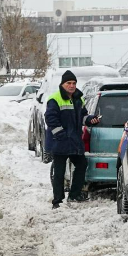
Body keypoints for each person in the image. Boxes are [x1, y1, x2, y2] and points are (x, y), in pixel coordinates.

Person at [44, 70, 100, 207]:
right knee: (59, 172)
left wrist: (90, 120)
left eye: (74, 83)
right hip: (60, 142)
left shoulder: (78, 99)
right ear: (62, 84)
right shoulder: (55, 99)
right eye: (68, 83)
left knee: (81, 164)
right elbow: (50, 119)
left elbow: (83, 117)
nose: (71, 85)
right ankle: (57, 200)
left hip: (74, 142)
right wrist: (60, 135)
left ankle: (74, 195)